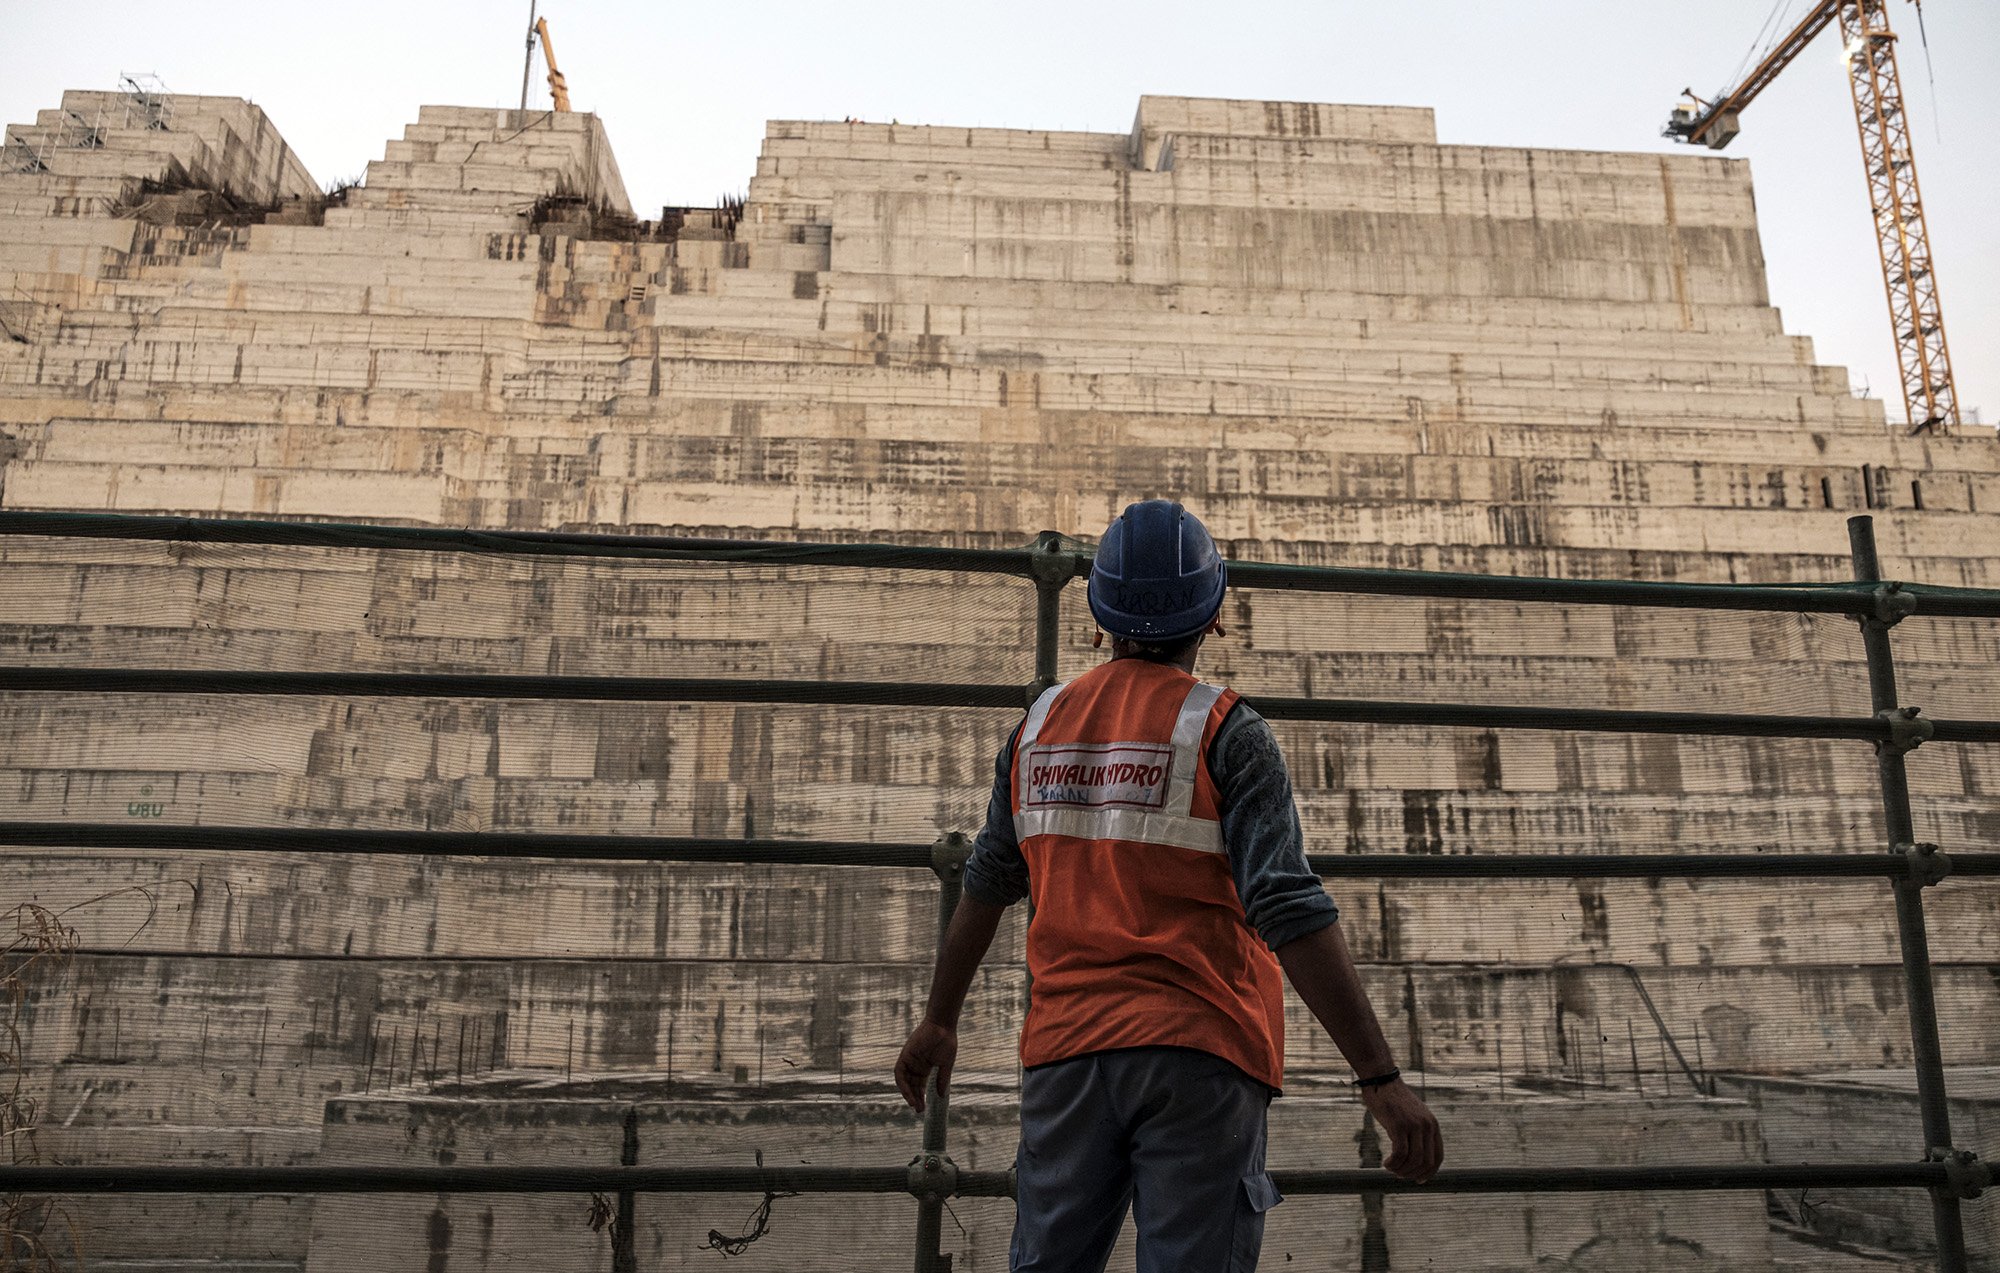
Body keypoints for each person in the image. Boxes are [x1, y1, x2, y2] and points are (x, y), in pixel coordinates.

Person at [894, 499, 1443, 1272]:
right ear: (1212, 615)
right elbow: (1287, 906)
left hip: (1066, 1053)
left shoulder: (1036, 730)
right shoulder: (1227, 730)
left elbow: (987, 880)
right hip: (1202, 1050)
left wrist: (939, 1020)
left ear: (1096, 614)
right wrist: (1380, 1079)